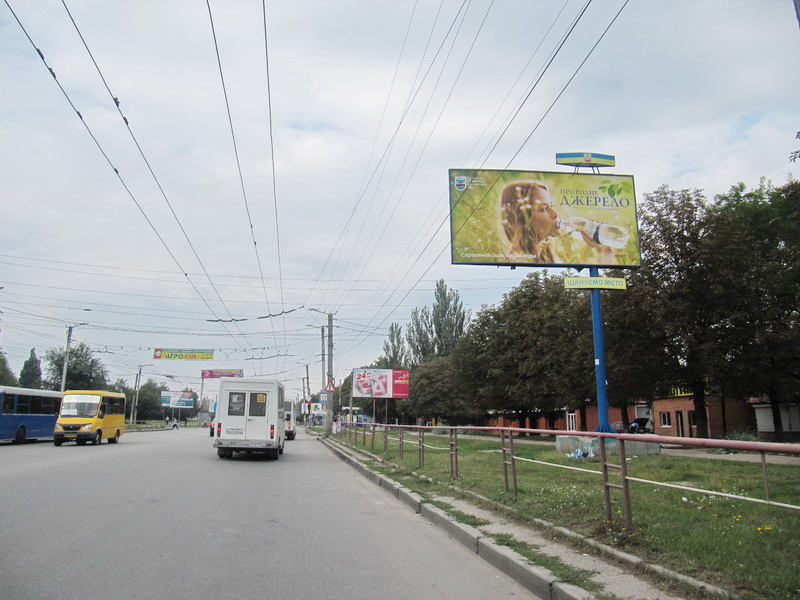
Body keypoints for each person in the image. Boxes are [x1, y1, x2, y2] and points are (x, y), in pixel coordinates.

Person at [499, 180, 613, 264]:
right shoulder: (518, 263)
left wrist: (604, 249)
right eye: (543, 209)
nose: (555, 214)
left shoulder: (546, 256)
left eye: (551, 206)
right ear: (522, 219)